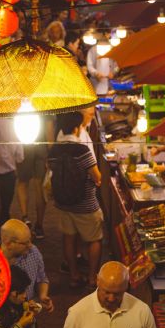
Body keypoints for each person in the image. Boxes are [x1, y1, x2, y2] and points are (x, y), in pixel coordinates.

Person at [48, 112, 103, 288]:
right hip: (86, 204)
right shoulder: (82, 150)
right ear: (75, 127)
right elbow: (97, 176)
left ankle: (74, 275)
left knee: (69, 238)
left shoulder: (53, 151)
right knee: (95, 239)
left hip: (63, 203)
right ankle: (93, 277)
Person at [15, 135, 48, 239]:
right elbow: (49, 127)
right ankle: (39, 225)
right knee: (40, 186)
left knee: (23, 182)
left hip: (24, 144)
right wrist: (51, 151)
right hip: (42, 145)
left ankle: (25, 218)